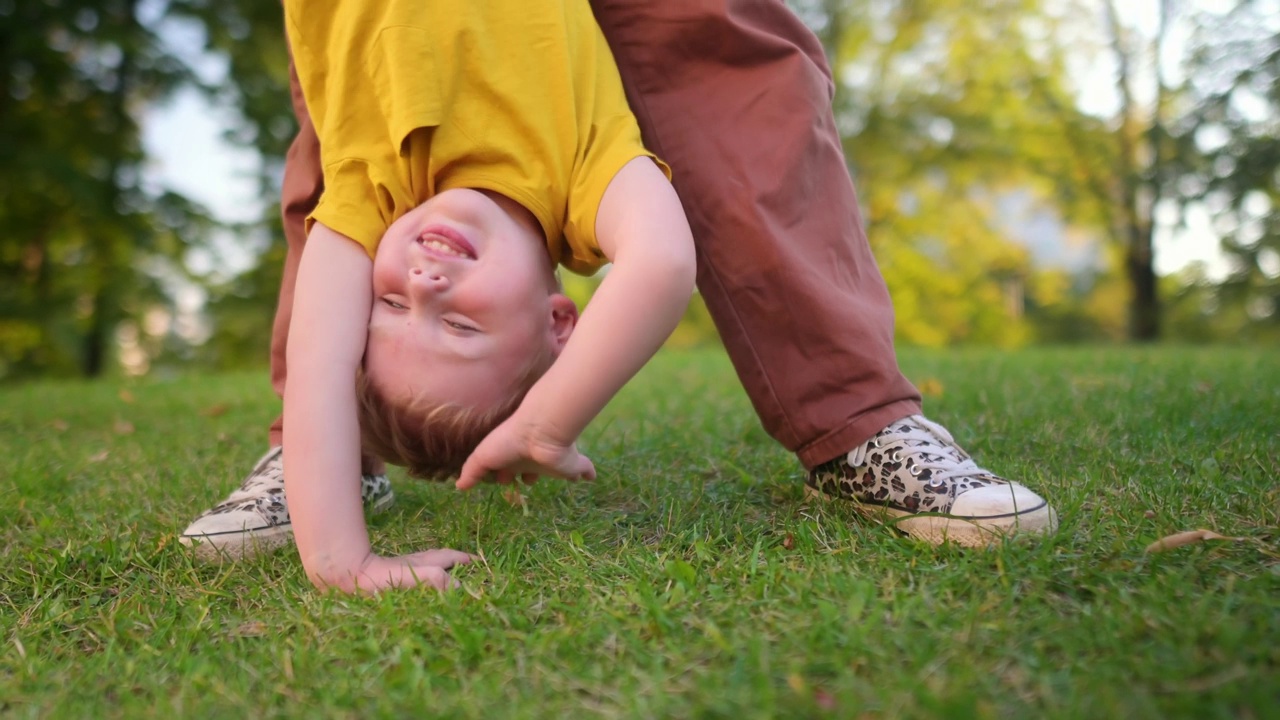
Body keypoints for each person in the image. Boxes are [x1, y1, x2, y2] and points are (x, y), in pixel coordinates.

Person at [181, 0, 1058, 584]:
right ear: (559, 318)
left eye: (390, 305)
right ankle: (323, 469)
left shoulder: (368, 193)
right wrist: (545, 421)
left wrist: (339, 563)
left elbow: (319, 357)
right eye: (454, 323)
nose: (421, 278)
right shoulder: (588, 177)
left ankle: (860, 425)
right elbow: (662, 266)